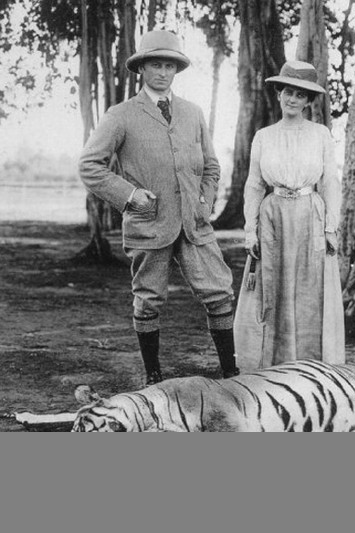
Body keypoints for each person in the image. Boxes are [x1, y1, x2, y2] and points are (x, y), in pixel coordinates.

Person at [79, 30, 239, 385]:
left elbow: (211, 167)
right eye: (155, 64)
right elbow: (90, 165)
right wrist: (129, 195)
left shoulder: (192, 113)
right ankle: (153, 377)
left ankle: (230, 373)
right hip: (149, 223)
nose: (163, 72)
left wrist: (205, 200)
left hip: (194, 224)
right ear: (141, 69)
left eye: (169, 65)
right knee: (149, 299)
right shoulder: (121, 115)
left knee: (219, 292)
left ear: (177, 70)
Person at [234, 60, 345, 371]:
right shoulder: (264, 136)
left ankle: (311, 366)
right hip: (273, 216)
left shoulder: (320, 134)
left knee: (310, 290)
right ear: (279, 94)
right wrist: (250, 230)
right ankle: (271, 364)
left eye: (300, 95)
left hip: (310, 214)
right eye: (287, 92)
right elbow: (254, 184)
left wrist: (330, 226)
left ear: (309, 101)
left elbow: (330, 182)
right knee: (272, 287)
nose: (293, 100)